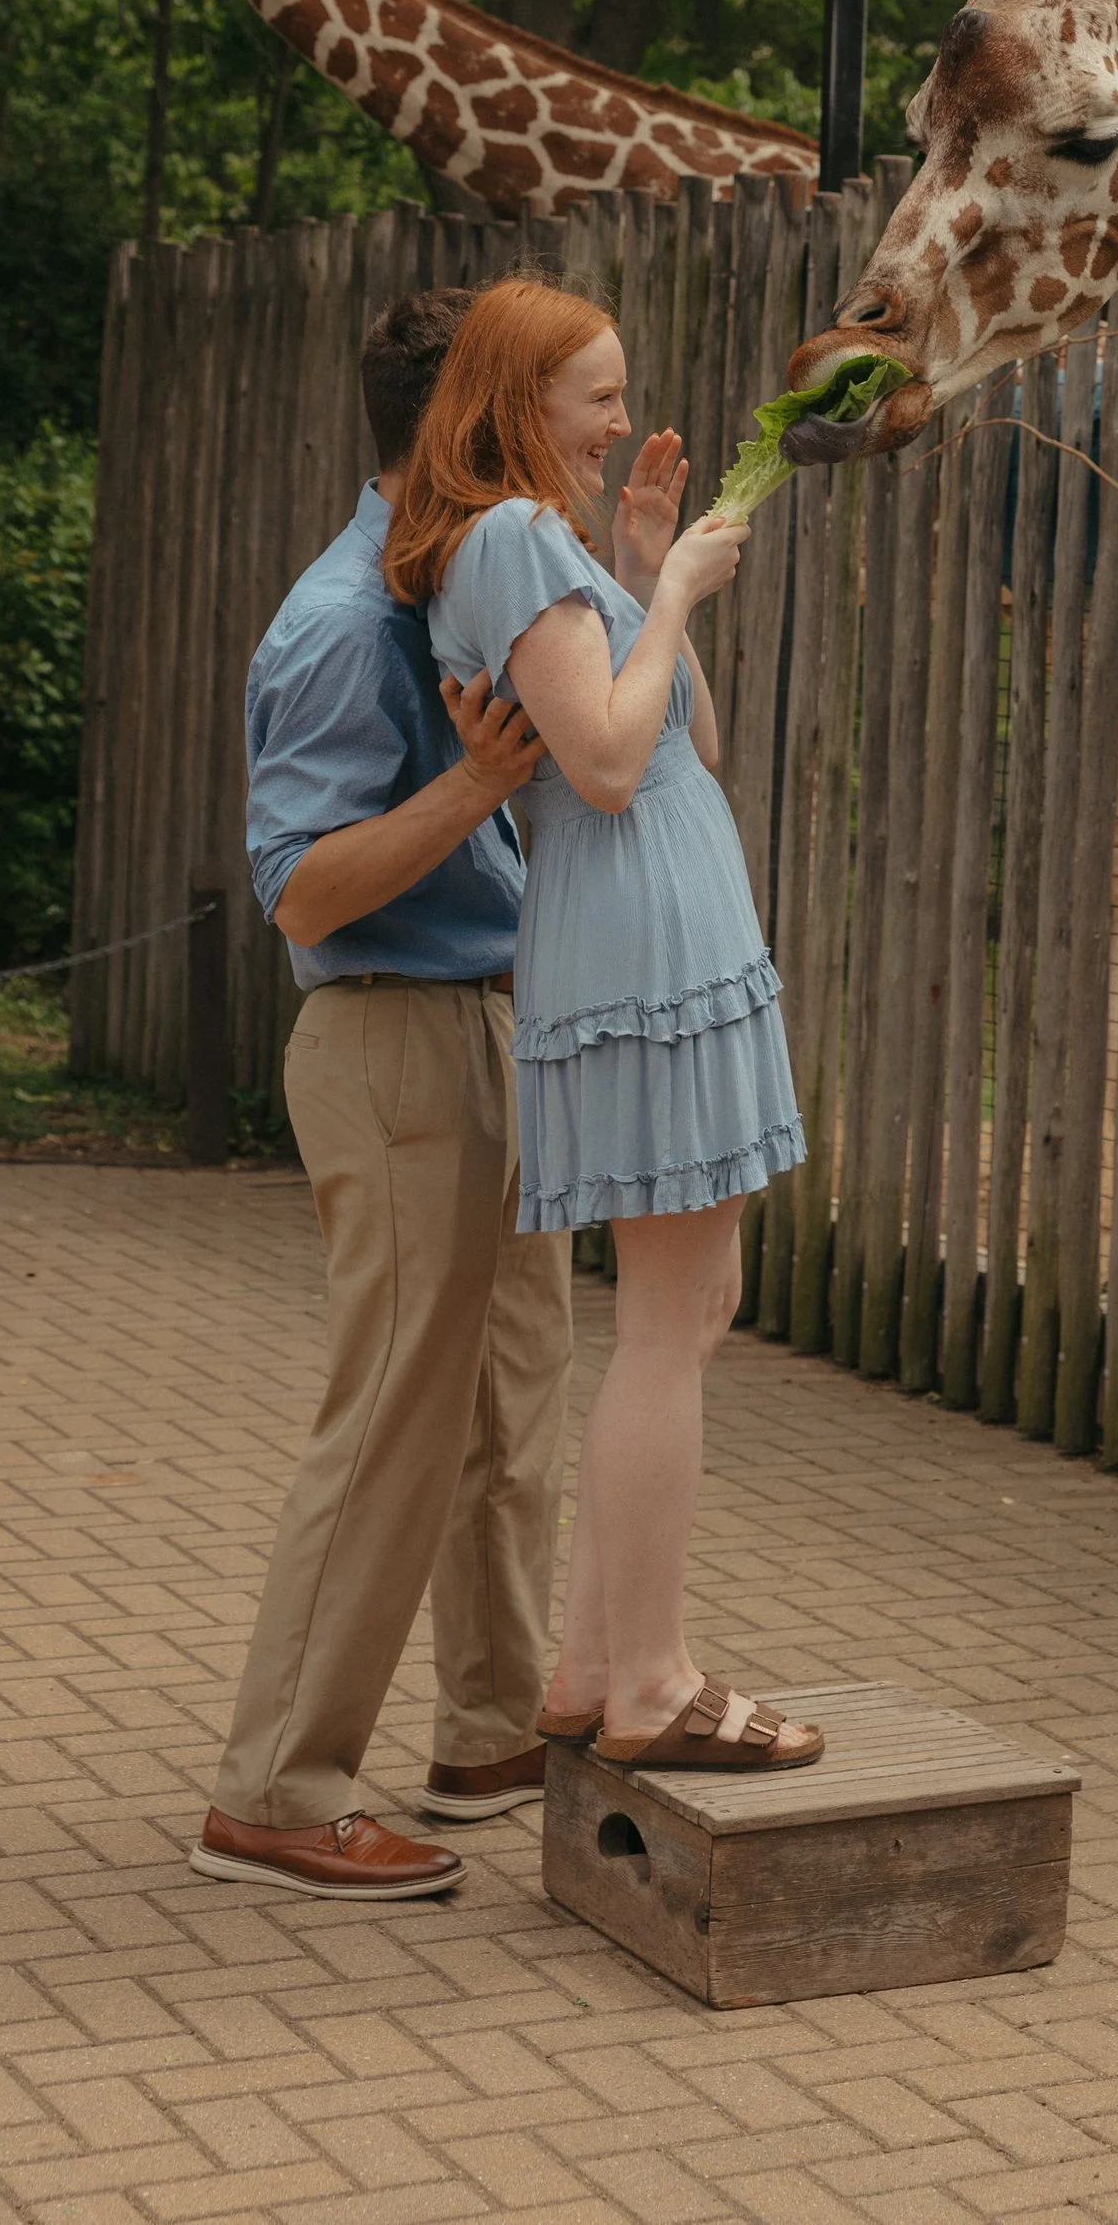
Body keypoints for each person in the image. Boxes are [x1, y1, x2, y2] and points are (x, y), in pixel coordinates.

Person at [385, 277, 822, 1774]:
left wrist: (641, 567)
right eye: (598, 394)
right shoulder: (506, 540)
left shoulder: (552, 544)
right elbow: (613, 764)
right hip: (637, 940)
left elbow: (692, 734)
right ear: (520, 402)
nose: (625, 420)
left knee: (691, 1309)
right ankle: (653, 1679)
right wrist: (685, 587)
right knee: (662, 1326)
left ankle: (584, 1668)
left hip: (666, 931)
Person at [193, 288, 571, 1904]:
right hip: (393, 1044)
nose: (593, 429)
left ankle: (493, 1731)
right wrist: (478, 785)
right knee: (394, 1429)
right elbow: (301, 889)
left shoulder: (458, 594)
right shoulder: (346, 622)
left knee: (509, 1416)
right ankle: (277, 1788)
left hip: (486, 1033)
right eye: (566, 403)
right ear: (472, 425)